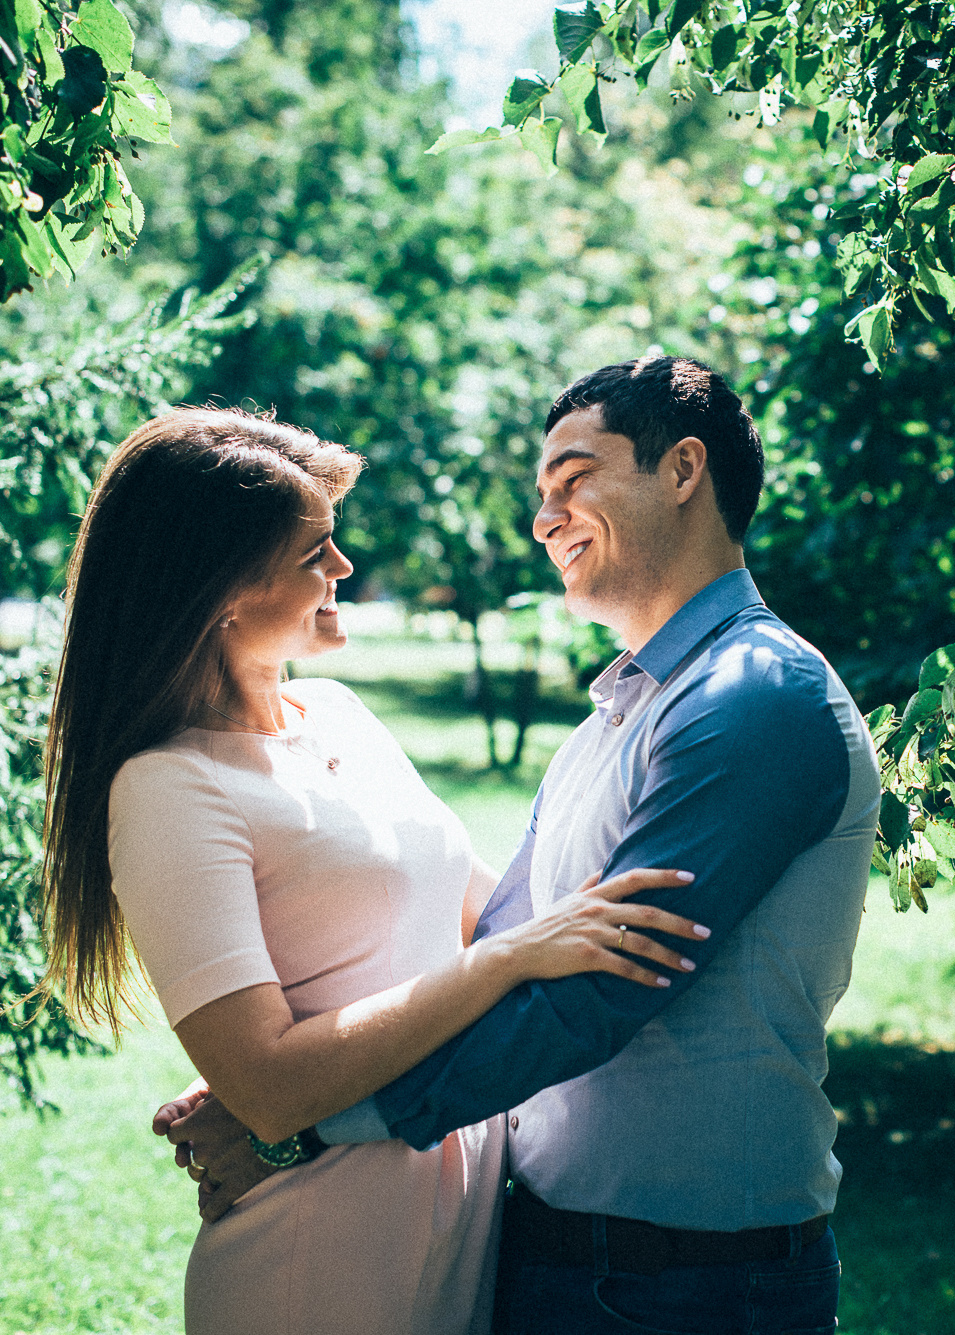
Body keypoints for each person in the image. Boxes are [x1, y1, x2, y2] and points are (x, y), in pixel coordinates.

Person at [173, 358, 880, 1335]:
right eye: (540, 494)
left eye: (574, 478)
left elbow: (600, 991)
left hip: (697, 1289)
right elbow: (500, 949)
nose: (544, 519)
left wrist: (303, 1128)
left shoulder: (756, 699)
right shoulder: (615, 718)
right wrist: (290, 1076)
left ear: (682, 470)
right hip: (545, 1251)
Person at [37, 407, 712, 1335]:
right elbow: (269, 1084)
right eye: (316, 551)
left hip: (456, 1218)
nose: (343, 569)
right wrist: (497, 967)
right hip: (316, 1252)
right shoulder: (169, 788)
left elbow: (499, 912)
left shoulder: (341, 714)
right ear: (220, 588)